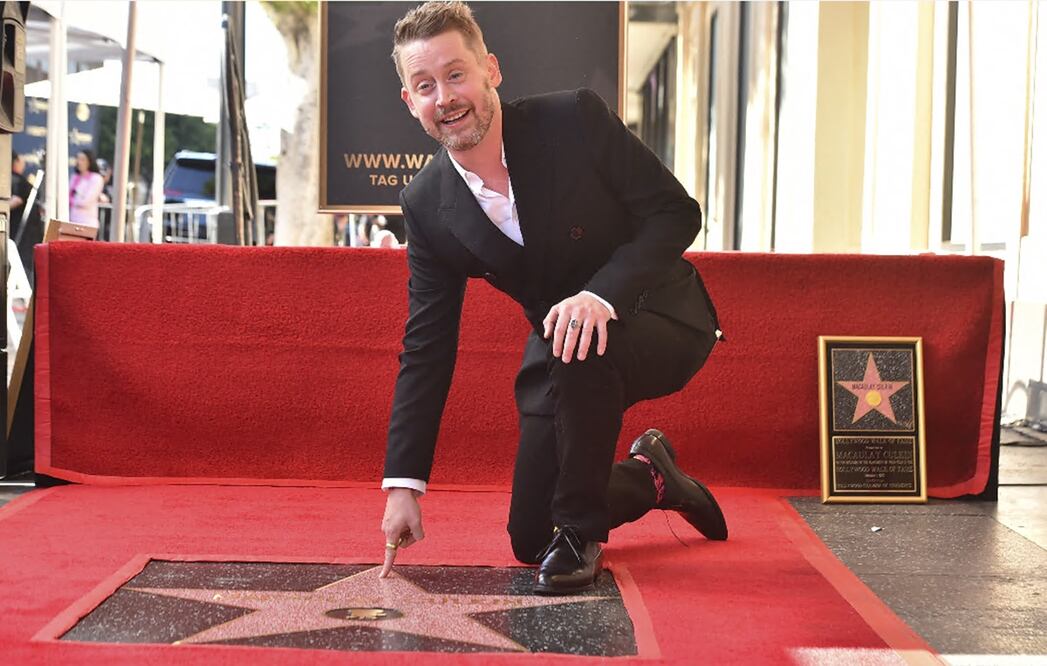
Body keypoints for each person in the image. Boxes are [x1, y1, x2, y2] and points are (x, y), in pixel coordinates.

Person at [380, 1, 726, 595]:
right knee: (530, 535)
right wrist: (403, 485)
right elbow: (427, 346)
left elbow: (676, 213)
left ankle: (584, 532)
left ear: (491, 69)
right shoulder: (426, 204)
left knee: (570, 508)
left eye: (457, 73)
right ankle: (652, 480)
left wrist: (602, 293)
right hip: (563, 348)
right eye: (426, 85)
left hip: (659, 315)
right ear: (410, 101)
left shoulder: (573, 119)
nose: (446, 96)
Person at [69, 150, 105, 230]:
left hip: (87, 223)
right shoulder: (74, 177)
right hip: (72, 221)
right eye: (78, 159)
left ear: (89, 161)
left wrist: (72, 200)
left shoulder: (96, 178)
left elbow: (86, 201)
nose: (79, 162)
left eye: (82, 159)